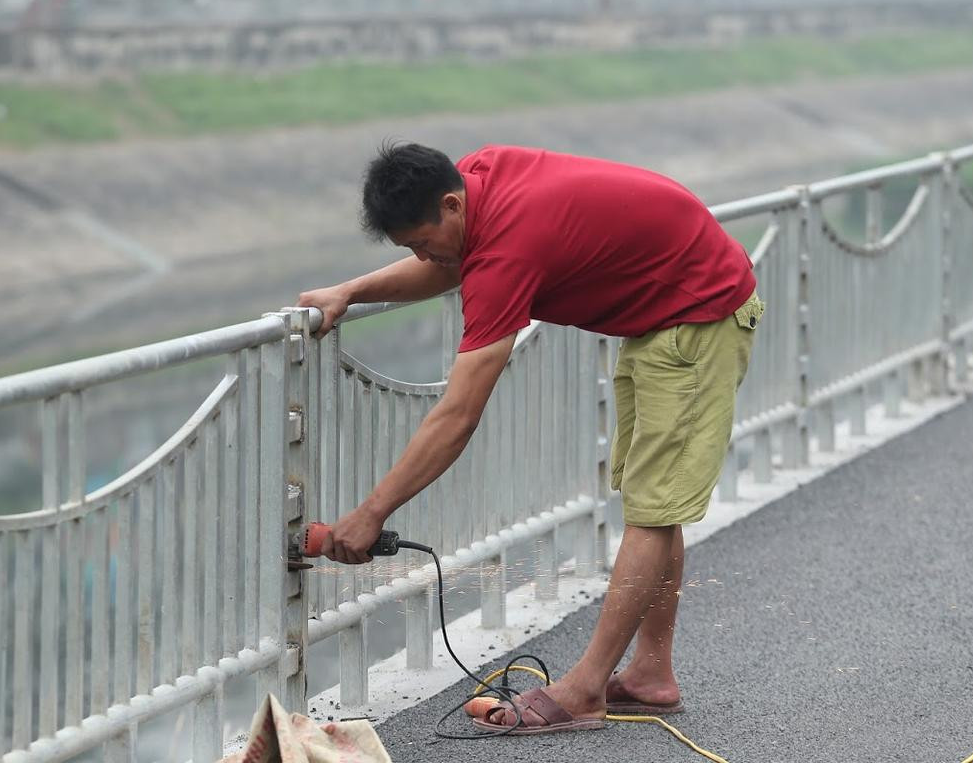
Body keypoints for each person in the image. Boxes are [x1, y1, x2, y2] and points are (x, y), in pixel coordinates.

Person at [297, 142, 763, 734]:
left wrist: (373, 511)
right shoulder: (480, 180)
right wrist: (351, 290)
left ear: (450, 203)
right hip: (663, 313)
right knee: (653, 503)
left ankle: (586, 689)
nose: (424, 257)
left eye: (422, 242)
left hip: (700, 314)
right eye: (409, 249)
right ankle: (649, 676)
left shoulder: (508, 250)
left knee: (652, 509)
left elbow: (458, 415)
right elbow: (446, 262)